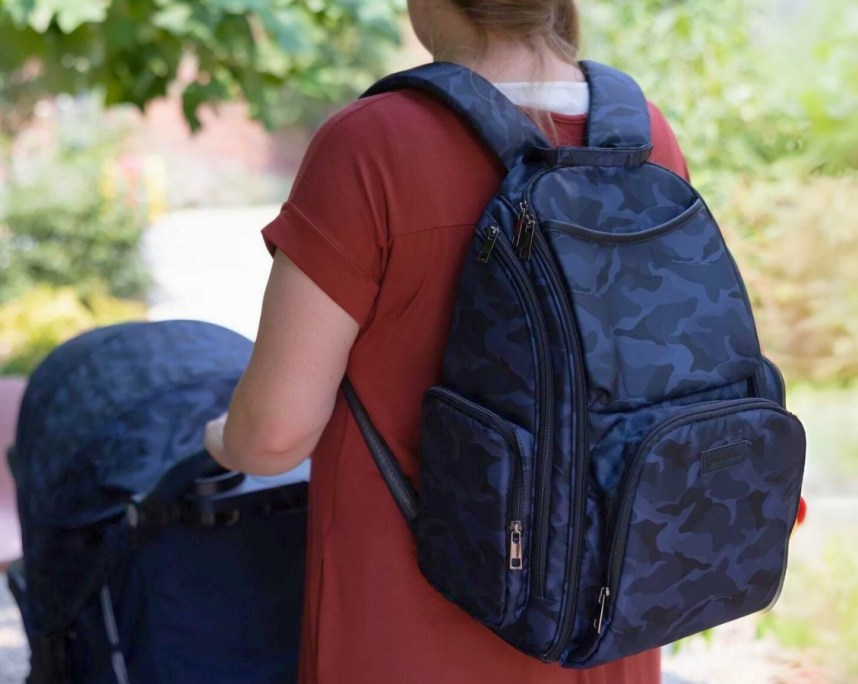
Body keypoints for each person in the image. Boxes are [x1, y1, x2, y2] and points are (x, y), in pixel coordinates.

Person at [204, 1, 690, 682]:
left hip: (407, 630)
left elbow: (274, 433)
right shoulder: (642, 136)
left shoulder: (373, 145)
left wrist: (219, 437)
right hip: (600, 624)